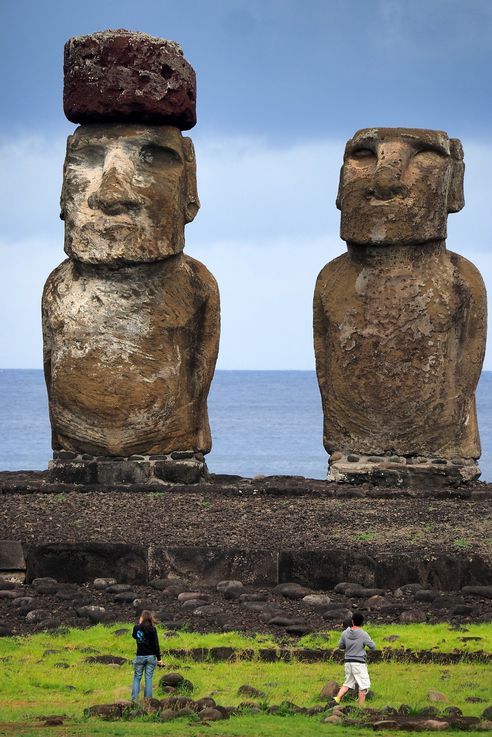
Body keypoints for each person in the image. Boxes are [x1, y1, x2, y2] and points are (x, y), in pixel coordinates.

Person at [334, 612, 375, 707]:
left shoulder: (344, 633)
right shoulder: (363, 634)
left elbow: (340, 646)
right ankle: (360, 707)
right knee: (363, 686)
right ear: (362, 623)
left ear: (352, 621)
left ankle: (337, 699)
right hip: (359, 663)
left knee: (348, 683)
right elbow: (373, 646)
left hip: (348, 662)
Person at [131, 610, 163, 702]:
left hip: (140, 656)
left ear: (142, 618)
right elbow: (156, 645)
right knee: (148, 678)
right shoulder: (153, 629)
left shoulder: (136, 628)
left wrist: (139, 625)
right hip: (150, 657)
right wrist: (159, 659)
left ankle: (134, 700)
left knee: (137, 678)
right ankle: (148, 700)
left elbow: (134, 636)